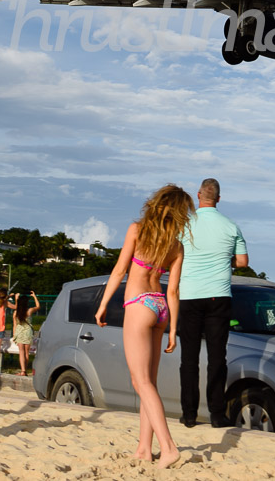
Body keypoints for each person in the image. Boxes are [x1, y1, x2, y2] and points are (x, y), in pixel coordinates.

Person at [96, 184, 193, 469]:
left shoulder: (137, 230)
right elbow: (173, 291)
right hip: (160, 308)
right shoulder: (176, 245)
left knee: (141, 383)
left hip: (138, 305)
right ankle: (143, 448)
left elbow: (119, 270)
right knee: (148, 384)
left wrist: (103, 305)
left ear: (156, 203)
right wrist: (173, 328)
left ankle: (168, 447)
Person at [177, 178, 248, 427]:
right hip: (219, 296)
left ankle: (188, 414)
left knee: (189, 359)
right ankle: (217, 414)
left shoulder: (184, 224)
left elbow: (175, 255)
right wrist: (222, 260)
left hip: (189, 295)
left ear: (198, 196)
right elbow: (242, 262)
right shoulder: (231, 226)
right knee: (217, 358)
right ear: (219, 198)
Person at [11, 290, 40, 375]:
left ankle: (22, 370)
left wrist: (14, 335)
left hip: (19, 332)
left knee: (21, 352)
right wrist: (34, 296)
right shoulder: (29, 311)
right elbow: (38, 306)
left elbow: (14, 325)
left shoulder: (16, 313)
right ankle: (25, 370)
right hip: (28, 332)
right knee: (26, 352)